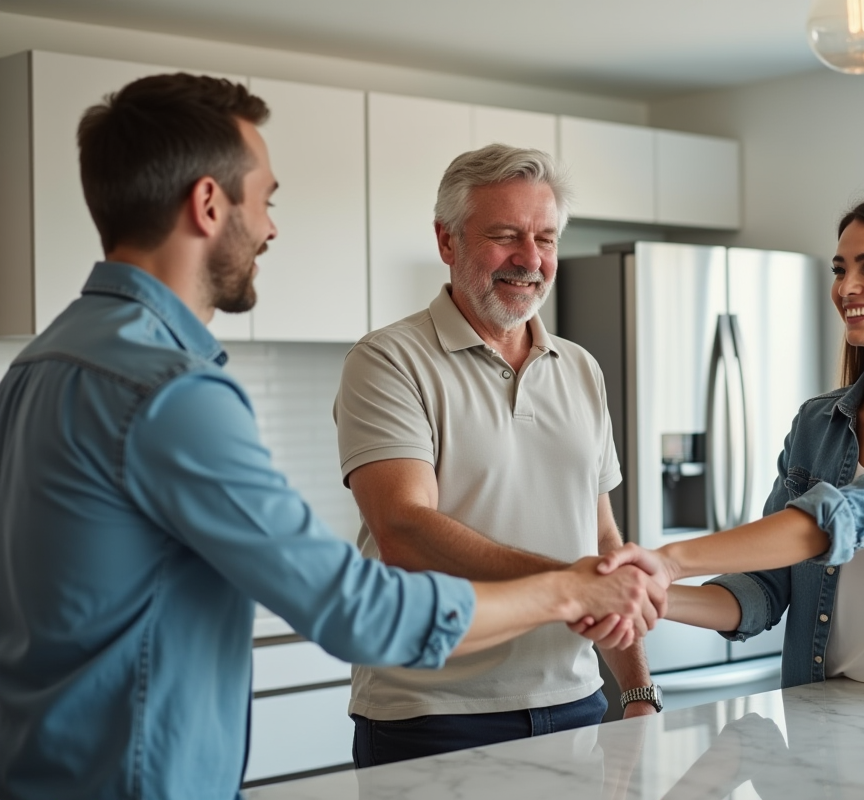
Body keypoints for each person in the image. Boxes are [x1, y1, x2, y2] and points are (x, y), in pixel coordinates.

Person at [0, 75, 662, 800]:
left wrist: (627, 675)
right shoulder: (169, 389)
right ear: (209, 204)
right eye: (267, 200)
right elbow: (356, 602)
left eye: (544, 237)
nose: (272, 228)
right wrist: (564, 589)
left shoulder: (41, 364)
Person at [593, 193, 864, 694]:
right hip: (832, 716)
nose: (847, 287)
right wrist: (647, 593)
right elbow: (763, 587)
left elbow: (852, 513)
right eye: (839, 269)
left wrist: (672, 557)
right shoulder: (816, 424)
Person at [333, 143, 661, 767]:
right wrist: (566, 584)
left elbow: (601, 538)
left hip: (576, 700)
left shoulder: (580, 369)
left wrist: (638, 687)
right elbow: (405, 529)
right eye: (506, 236)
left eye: (545, 237)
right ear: (447, 241)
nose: (530, 259)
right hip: (433, 711)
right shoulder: (387, 361)